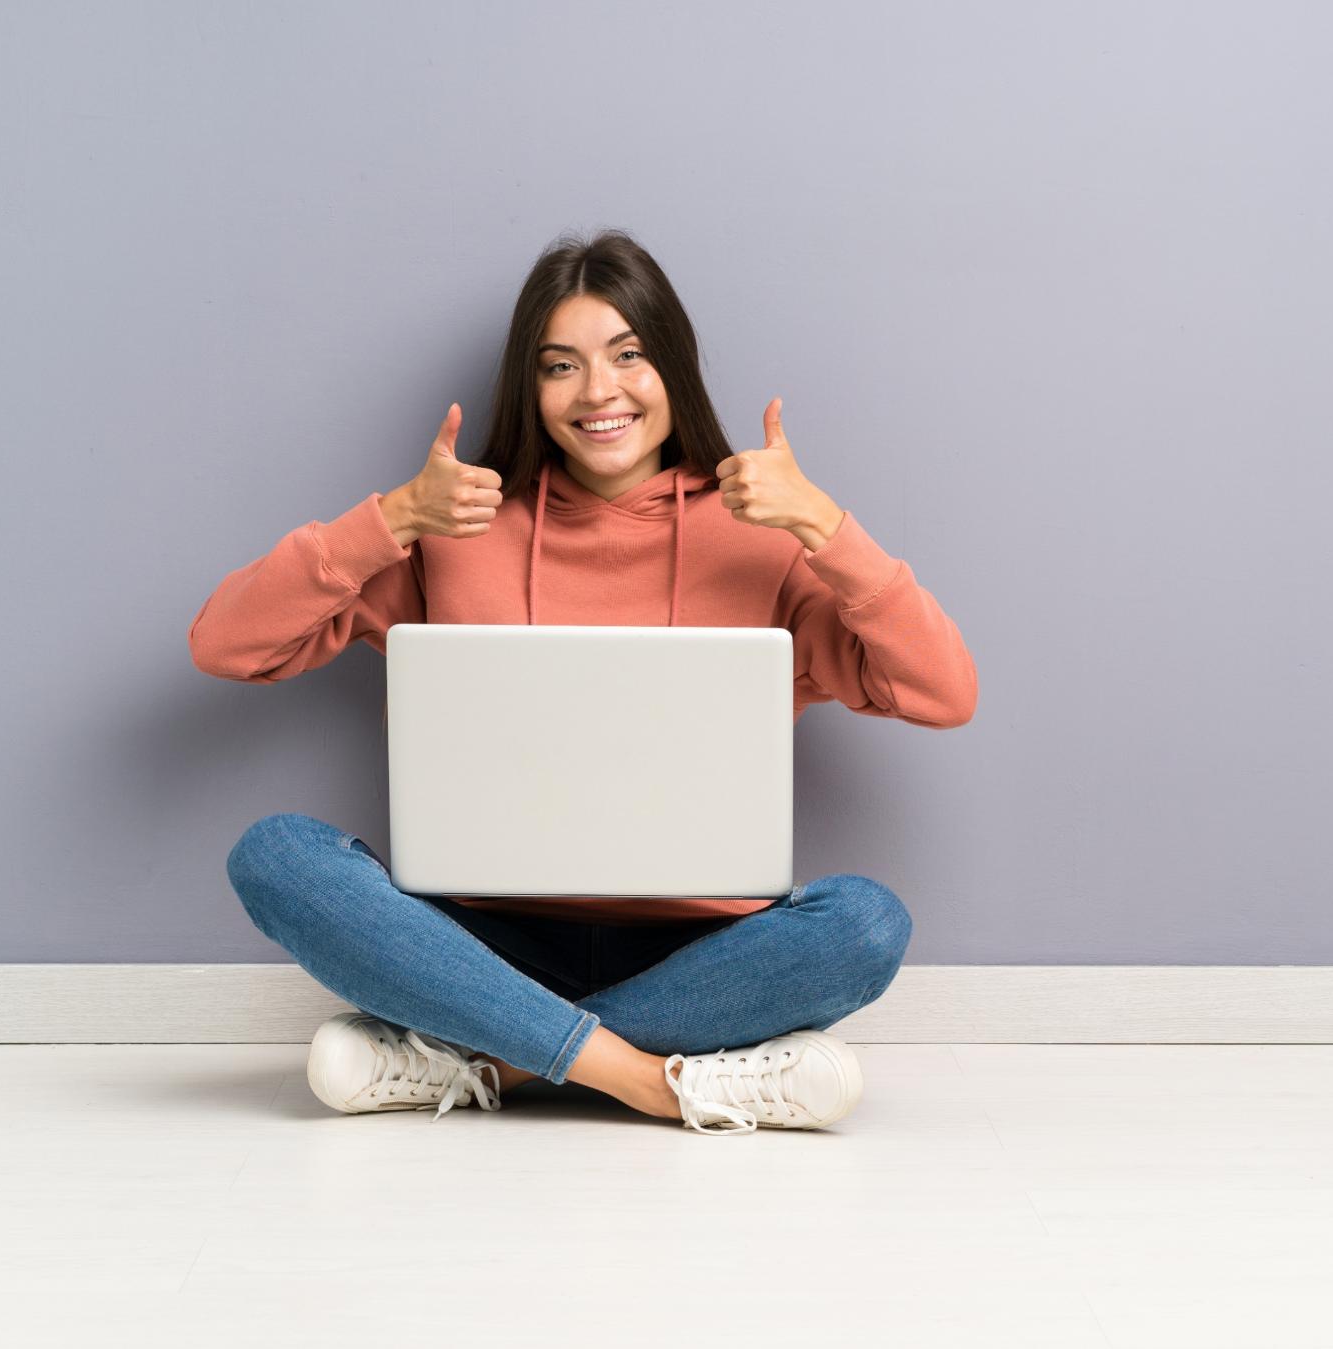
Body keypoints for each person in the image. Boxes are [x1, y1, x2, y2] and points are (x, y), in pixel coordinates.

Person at [191, 230, 977, 1136]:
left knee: (869, 924)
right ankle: (651, 1079)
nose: (599, 391)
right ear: (531, 389)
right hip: (482, 938)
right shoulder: (458, 526)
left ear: (671, 366)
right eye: (561, 365)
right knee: (275, 855)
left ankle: (494, 1062)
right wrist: (394, 517)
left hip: (701, 945)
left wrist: (826, 526)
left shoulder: (762, 539)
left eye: (629, 355)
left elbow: (945, 690)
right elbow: (226, 642)